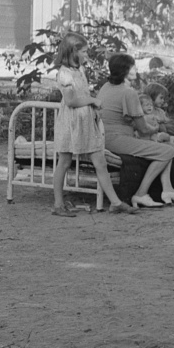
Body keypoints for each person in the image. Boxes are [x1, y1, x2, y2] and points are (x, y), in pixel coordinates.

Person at [50, 32, 137, 216]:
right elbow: (72, 101)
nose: (86, 55)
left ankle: (115, 202)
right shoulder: (64, 74)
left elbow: (81, 94)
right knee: (64, 161)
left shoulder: (79, 71)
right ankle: (58, 204)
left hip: (86, 122)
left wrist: (93, 108)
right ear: (73, 51)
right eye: (83, 51)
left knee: (100, 161)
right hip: (71, 123)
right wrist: (92, 101)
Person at [97, 53, 174, 207]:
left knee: (165, 148)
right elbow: (143, 129)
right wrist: (156, 128)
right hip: (115, 139)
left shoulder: (106, 87)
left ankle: (168, 190)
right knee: (167, 151)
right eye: (133, 66)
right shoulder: (128, 92)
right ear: (126, 70)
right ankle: (141, 194)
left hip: (103, 137)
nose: (136, 69)